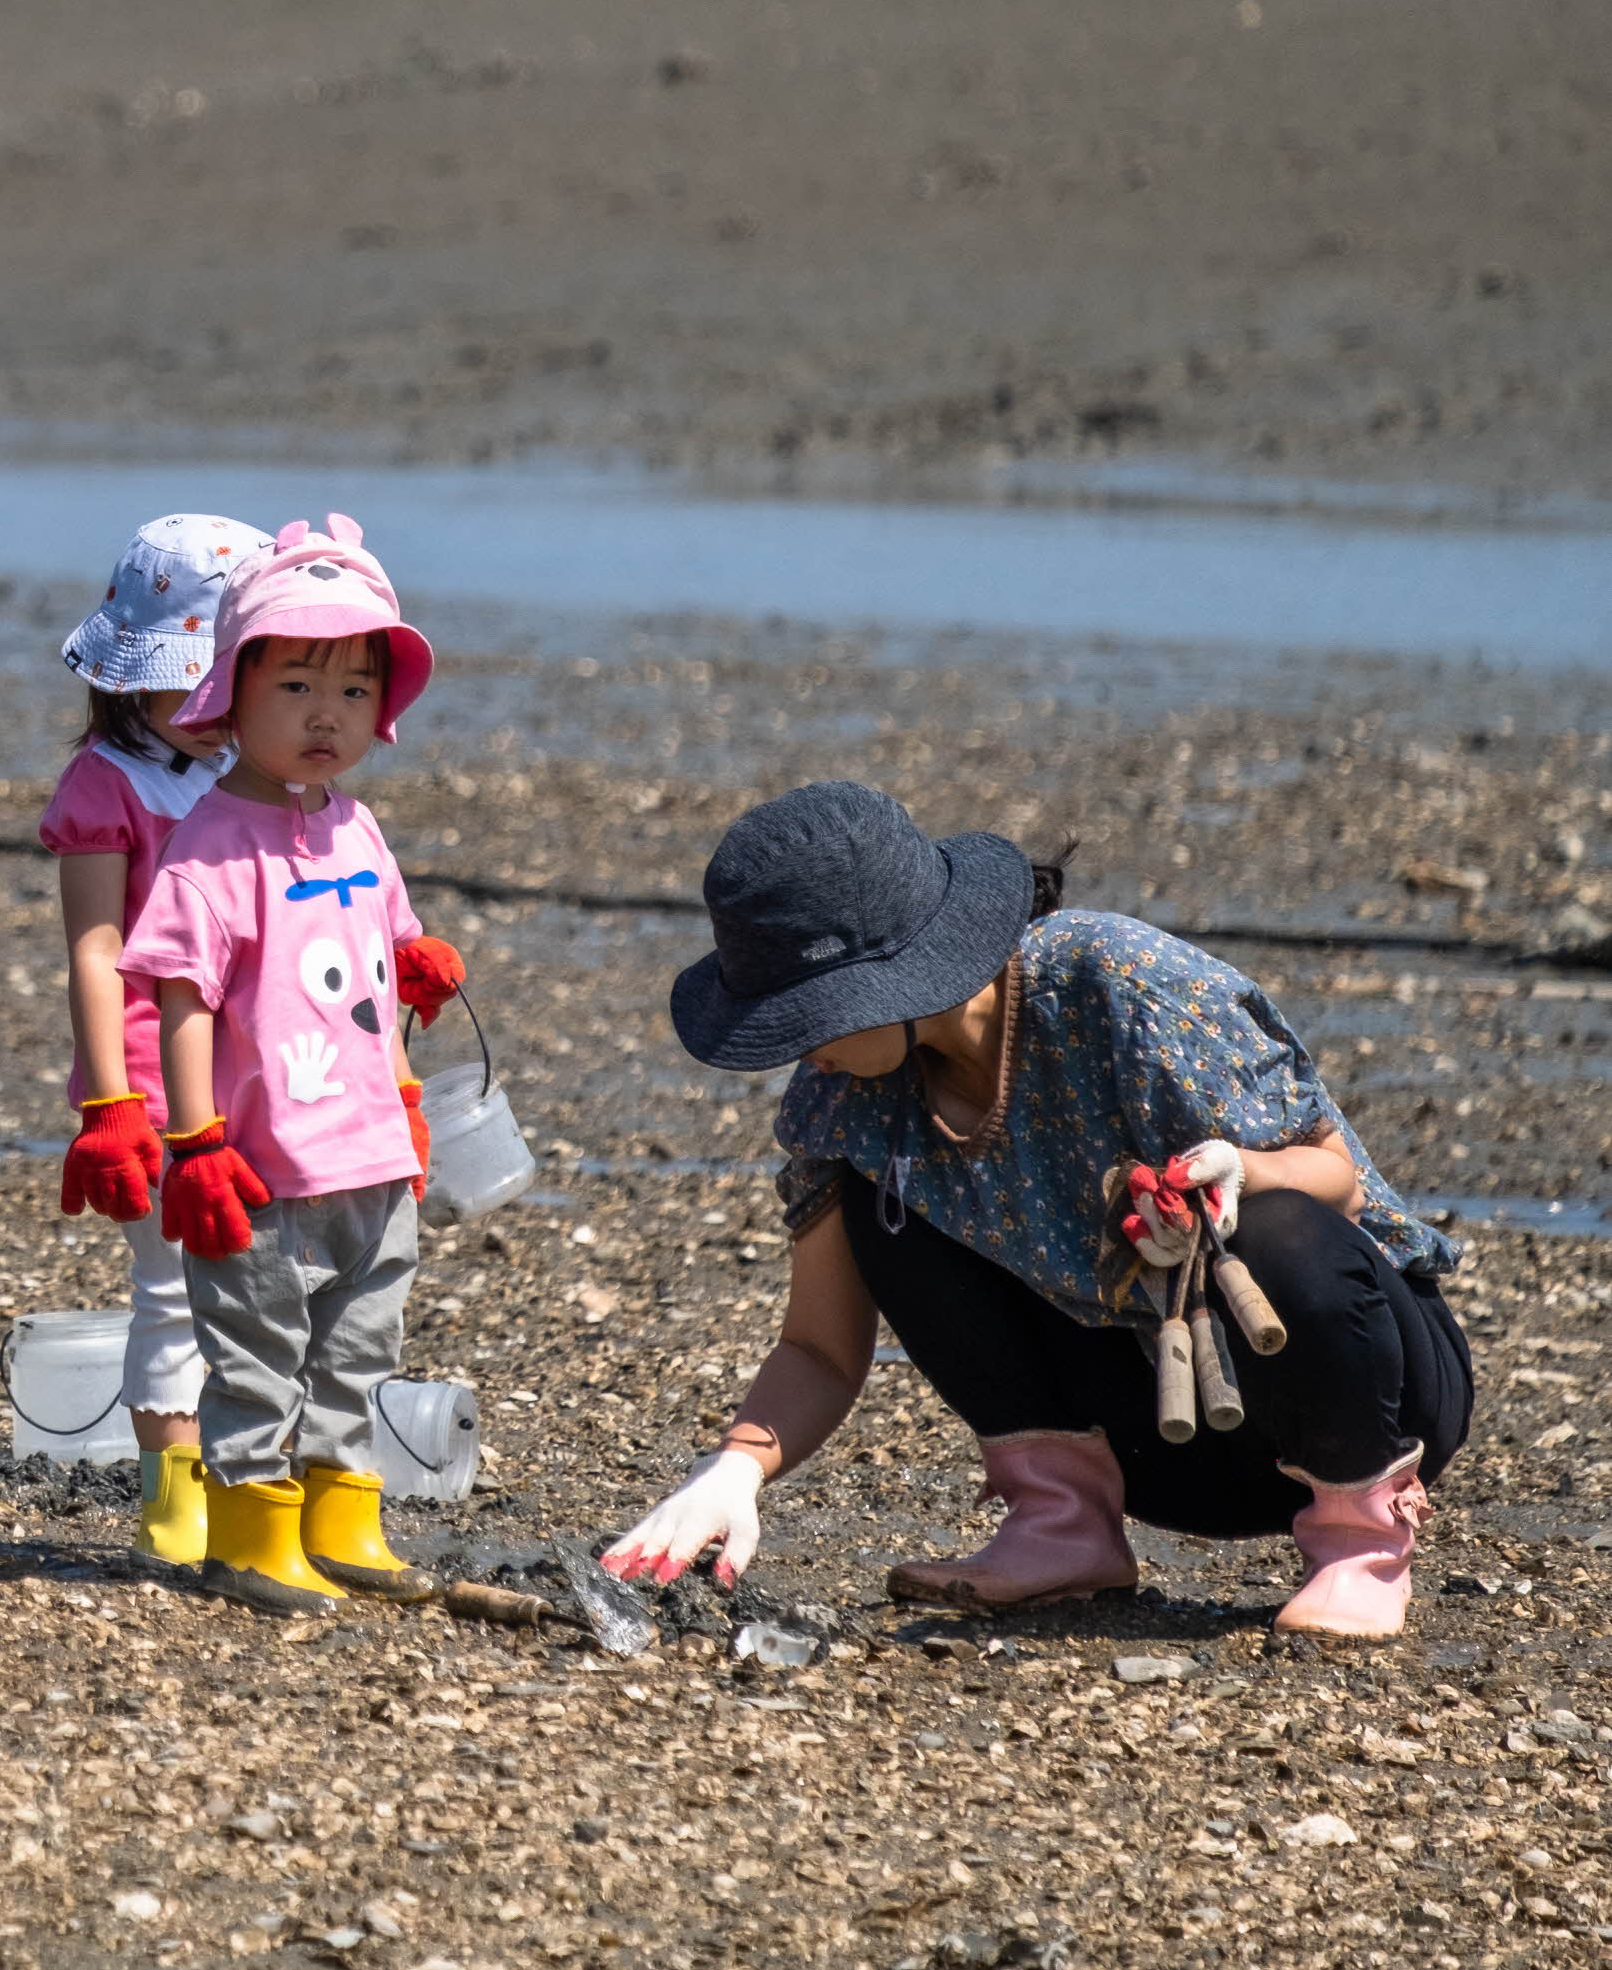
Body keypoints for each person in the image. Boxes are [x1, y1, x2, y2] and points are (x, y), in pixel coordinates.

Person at [607, 781, 1469, 1638]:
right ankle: (1061, 1523)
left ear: (891, 980)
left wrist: (1239, 1168)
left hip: (1371, 1391)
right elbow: (817, 1348)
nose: (798, 1053)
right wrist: (730, 1471)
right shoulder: (848, 1104)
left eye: (802, 1022)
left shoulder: (1119, 985)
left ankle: (1362, 1538)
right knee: (881, 1201)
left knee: (1276, 1221)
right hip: (1168, 1448)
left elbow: (1339, 1180)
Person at [123, 517, 465, 1615]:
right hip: (263, 1163)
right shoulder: (209, 846)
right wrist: (192, 1142)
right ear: (233, 693)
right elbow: (181, 998)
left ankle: (337, 1511)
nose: (328, 715)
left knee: (361, 1345)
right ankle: (248, 1528)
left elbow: (386, 952)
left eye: (355, 691)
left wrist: (416, 971)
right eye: (297, 686)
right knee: (258, 1350)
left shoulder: (357, 829)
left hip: (369, 1148)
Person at [40, 512, 272, 1564]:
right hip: (151, 1080)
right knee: (173, 1293)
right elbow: (94, 951)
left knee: (278, 1286)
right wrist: (108, 1104)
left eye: (217, 681)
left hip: (266, 1071)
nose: (195, 709)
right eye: (173, 681)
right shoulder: (108, 785)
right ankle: (171, 1500)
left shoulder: (266, 782)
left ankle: (256, 1484)